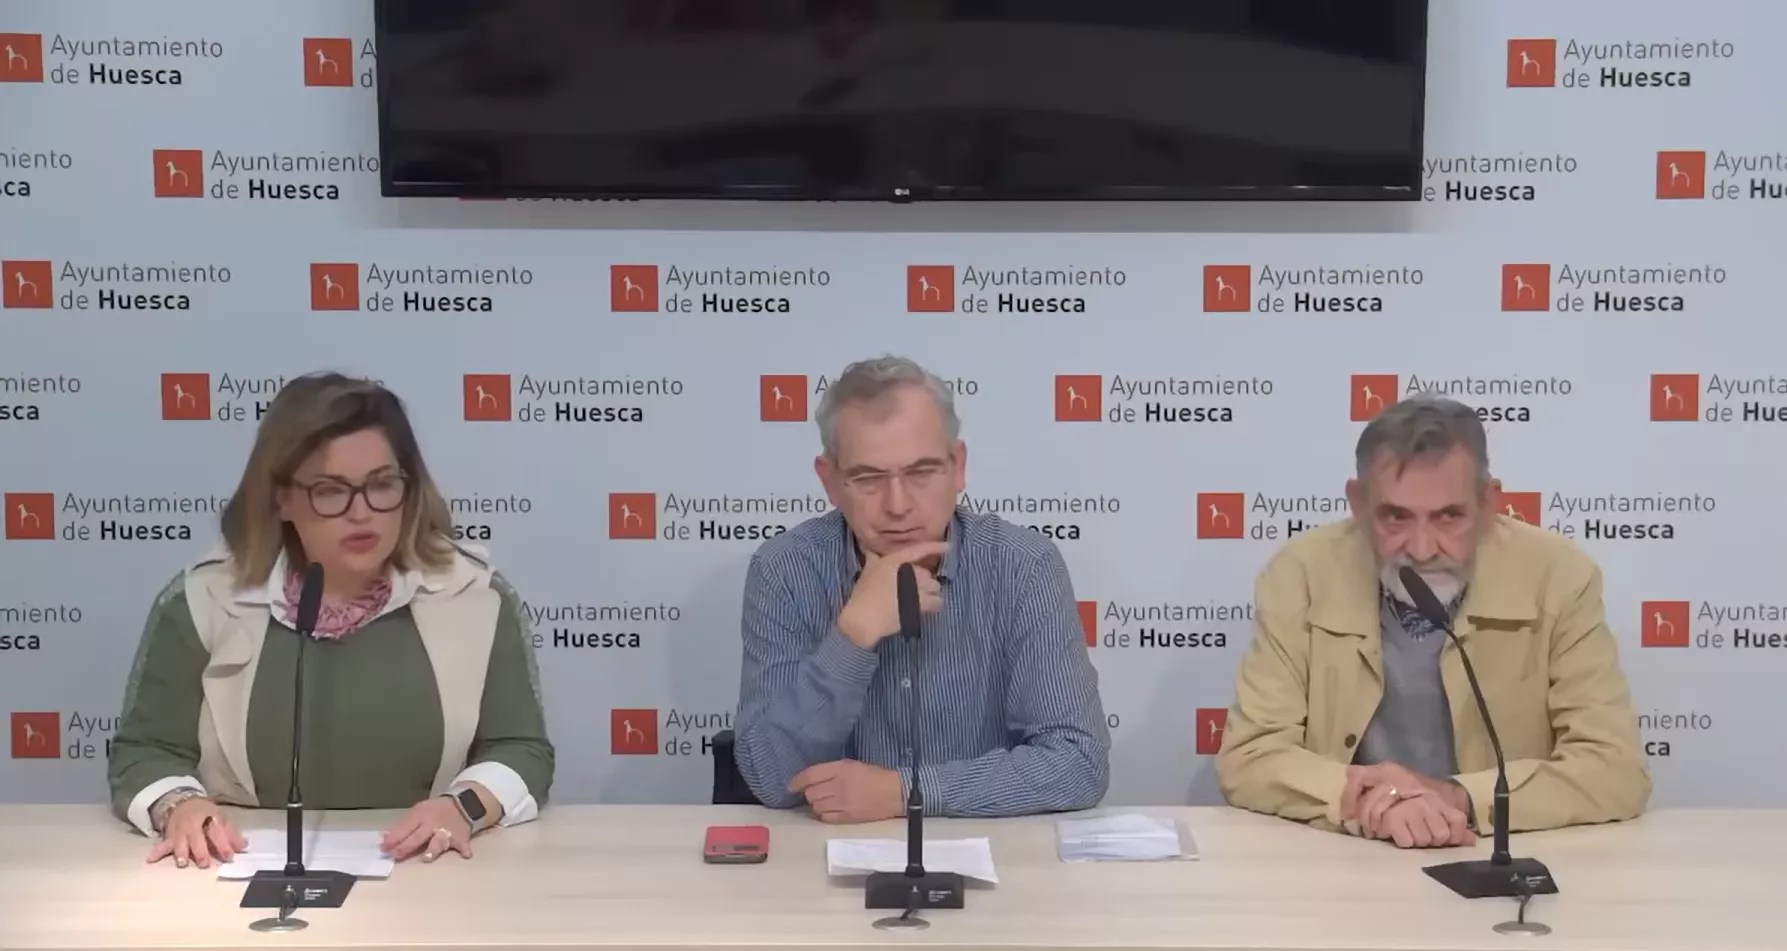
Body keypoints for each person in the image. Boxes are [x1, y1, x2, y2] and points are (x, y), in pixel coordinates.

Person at [107, 373, 553, 868]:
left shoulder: (476, 596)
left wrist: (462, 807)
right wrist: (179, 806)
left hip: (428, 867)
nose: (361, 513)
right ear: (281, 497)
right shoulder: (204, 598)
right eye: (330, 490)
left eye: (381, 485)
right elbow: (144, 751)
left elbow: (520, 749)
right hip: (241, 866)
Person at [1215, 393, 1650, 849]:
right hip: (1348, 852)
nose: (1422, 550)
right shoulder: (1302, 573)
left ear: (1488, 504)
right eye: (1395, 517)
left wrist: (1457, 796)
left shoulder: (1558, 576)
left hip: (1498, 855)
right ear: (1358, 504)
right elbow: (1250, 757)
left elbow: (1615, 770)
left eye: (1449, 517)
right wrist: (1374, 800)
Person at [733, 355, 1109, 822]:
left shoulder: (1022, 565)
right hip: (829, 852)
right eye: (868, 478)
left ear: (958, 467)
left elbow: (1077, 763)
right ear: (830, 482)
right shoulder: (785, 569)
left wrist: (905, 792)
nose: (898, 505)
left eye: (921, 472)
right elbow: (771, 777)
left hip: (992, 851)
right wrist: (853, 637)